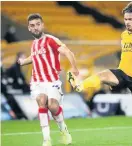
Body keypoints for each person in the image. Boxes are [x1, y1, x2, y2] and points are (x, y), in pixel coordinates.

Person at [67, 2, 132, 145]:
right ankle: (80, 86)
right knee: (103, 75)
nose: (127, 22)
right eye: (125, 19)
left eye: (130, 19)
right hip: (122, 73)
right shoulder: (124, 35)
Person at [18, 13, 79, 146]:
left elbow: (68, 52)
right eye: (32, 26)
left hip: (52, 81)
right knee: (41, 101)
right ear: (29, 28)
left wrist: (74, 68)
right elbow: (34, 57)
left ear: (42, 25)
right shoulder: (34, 44)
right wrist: (24, 61)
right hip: (37, 81)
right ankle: (46, 139)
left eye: (38, 24)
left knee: (52, 106)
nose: (35, 28)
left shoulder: (51, 40)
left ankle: (64, 130)